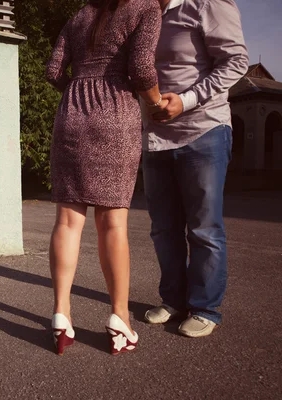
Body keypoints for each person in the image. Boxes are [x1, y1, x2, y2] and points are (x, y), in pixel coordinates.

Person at [46, 0, 166, 355]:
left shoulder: (80, 14)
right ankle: (119, 317)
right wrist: (156, 103)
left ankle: (61, 314)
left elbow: (54, 72)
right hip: (115, 113)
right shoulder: (145, 8)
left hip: (72, 113)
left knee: (68, 221)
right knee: (112, 223)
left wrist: (78, 91)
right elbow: (142, 68)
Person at [142, 0, 249, 338]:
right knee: (163, 229)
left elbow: (237, 61)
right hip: (156, 139)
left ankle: (205, 308)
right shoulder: (143, 13)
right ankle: (173, 300)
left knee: (203, 228)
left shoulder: (206, 3)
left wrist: (185, 101)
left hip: (204, 131)